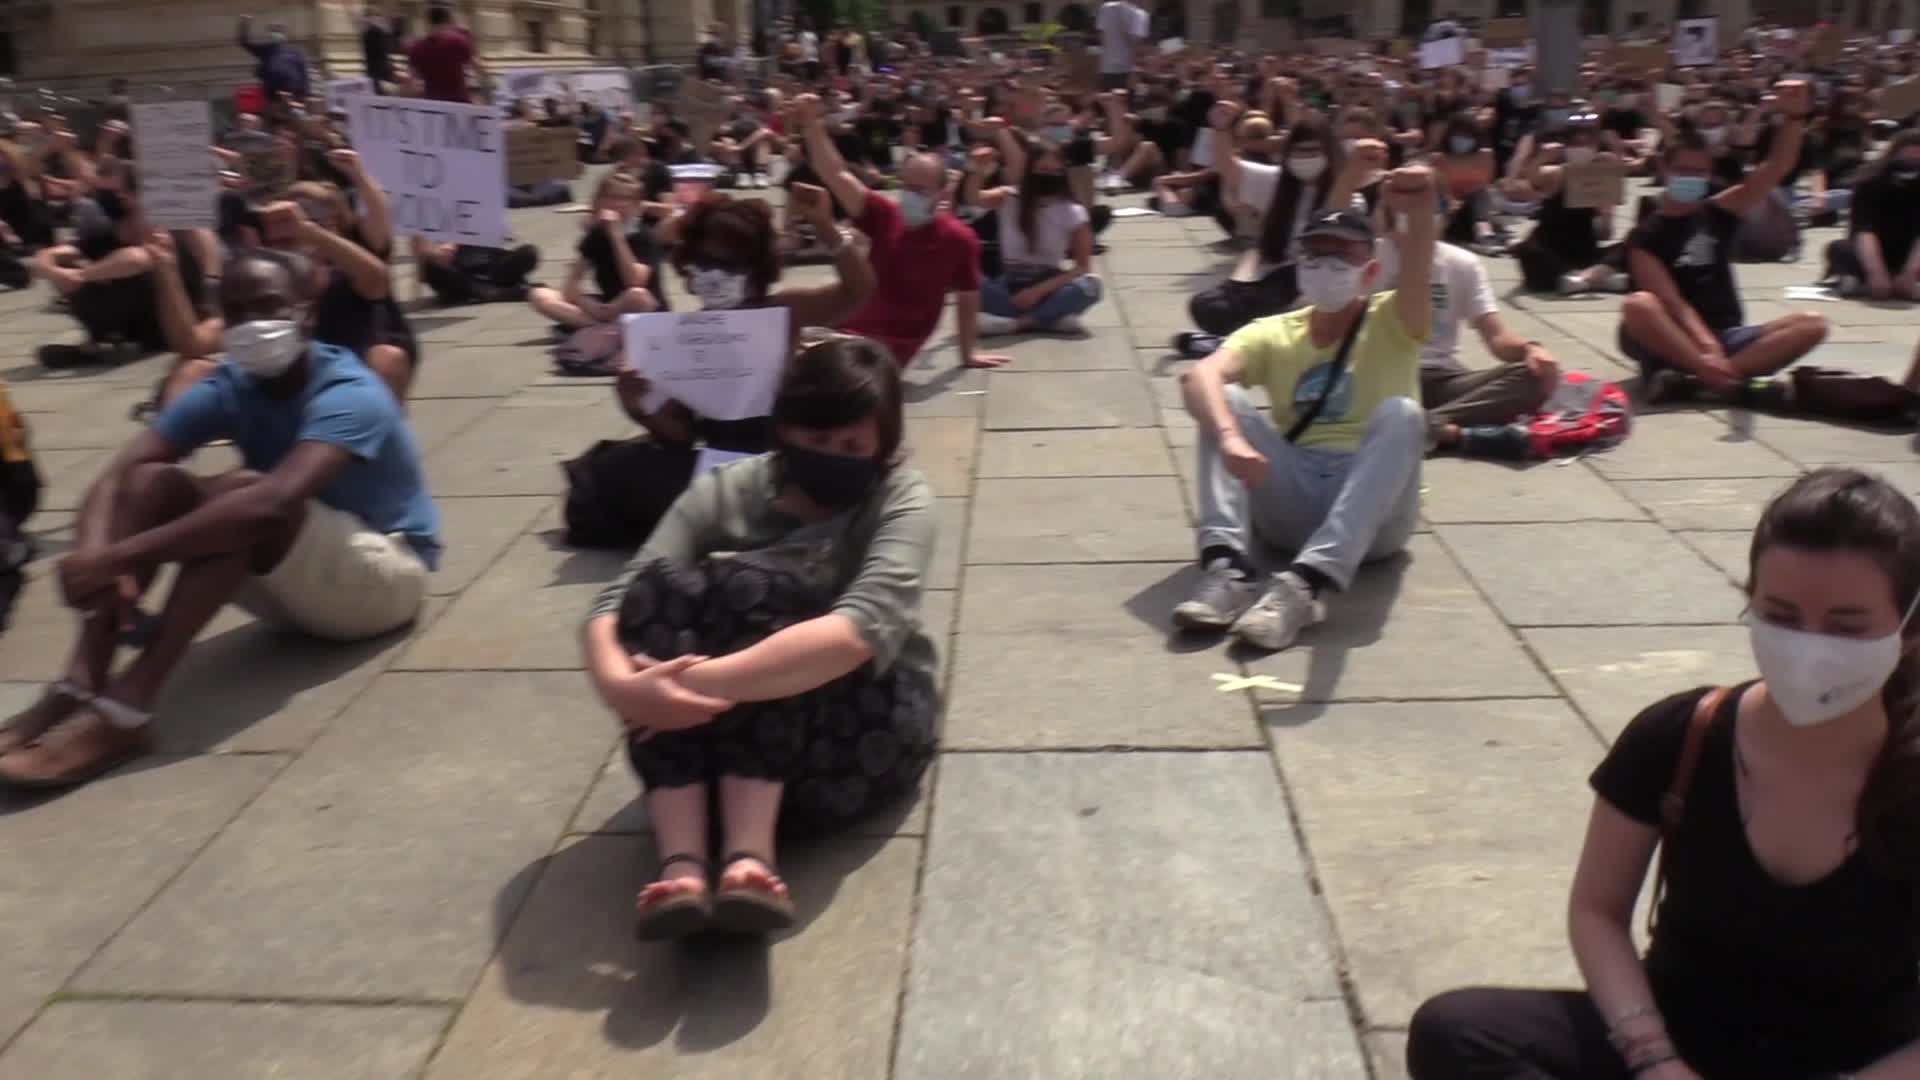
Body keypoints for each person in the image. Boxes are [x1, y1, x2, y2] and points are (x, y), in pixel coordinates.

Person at [1408, 467, 1920, 1080]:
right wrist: (1655, 1059)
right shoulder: (1681, 736)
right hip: (1681, 1033)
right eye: (1781, 616)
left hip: (1859, 1061)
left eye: (1845, 626)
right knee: (1459, 1031)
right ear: (1749, 601)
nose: (1808, 646)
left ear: (1909, 630)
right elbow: (1598, 910)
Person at [0, 250, 438, 789]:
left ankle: (127, 711)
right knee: (151, 483)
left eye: (269, 306)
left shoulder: (349, 390)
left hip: (384, 579)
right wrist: (90, 556)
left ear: (305, 312)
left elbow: (272, 503)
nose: (253, 323)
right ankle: (81, 683)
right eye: (236, 312)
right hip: (295, 571)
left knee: (243, 497)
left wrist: (122, 556)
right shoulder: (231, 383)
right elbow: (122, 475)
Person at [582, 336, 937, 940]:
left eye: (852, 445)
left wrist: (683, 685)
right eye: (817, 439)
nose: (833, 455)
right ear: (785, 429)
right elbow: (618, 600)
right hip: (725, 739)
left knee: (767, 587)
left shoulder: (902, 499)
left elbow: (855, 630)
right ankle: (684, 863)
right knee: (658, 594)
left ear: (881, 449)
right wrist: (622, 685)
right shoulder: (731, 487)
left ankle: (750, 857)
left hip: (857, 734)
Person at [1171, 167, 1438, 652]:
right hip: (1292, 493)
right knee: (1218, 399)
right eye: (1316, 254)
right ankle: (1228, 570)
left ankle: (1305, 587)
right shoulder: (1274, 330)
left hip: (1375, 509)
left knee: (1403, 414)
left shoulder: (1395, 319)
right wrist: (1231, 436)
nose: (1327, 266)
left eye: (1343, 255)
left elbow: (1419, 266)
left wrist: (1422, 211)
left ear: (1371, 270)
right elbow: (1200, 375)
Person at [559, 185, 875, 551]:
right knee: (614, 471)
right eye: (705, 262)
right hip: (721, 467)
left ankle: (758, 520)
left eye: (729, 265)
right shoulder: (686, 334)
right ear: (689, 263)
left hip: (788, 462)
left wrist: (825, 225)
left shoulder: (781, 311)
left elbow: (858, 290)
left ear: (755, 268)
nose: (714, 274)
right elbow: (680, 435)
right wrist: (640, 403)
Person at [1618, 82, 1828, 403]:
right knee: (1638, 306)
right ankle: (1719, 377)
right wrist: (1705, 346)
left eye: (1699, 171)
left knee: (1812, 324)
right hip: (1669, 335)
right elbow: (1672, 303)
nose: (1691, 177)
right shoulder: (1646, 235)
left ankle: (1698, 382)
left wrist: (1794, 117)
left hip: (1727, 332)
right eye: (1683, 170)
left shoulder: (1719, 211)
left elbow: (1777, 167)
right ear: (1665, 169)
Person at [792, 93, 1007, 370]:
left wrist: (967, 355)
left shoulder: (960, 240)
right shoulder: (885, 215)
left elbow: (968, 297)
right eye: (906, 186)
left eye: (920, 190)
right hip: (844, 327)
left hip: (885, 349)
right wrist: (812, 123)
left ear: (942, 193)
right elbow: (834, 173)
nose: (910, 195)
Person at [1377, 238, 1560, 458]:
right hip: (1378, 374)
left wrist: (1530, 350)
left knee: (1534, 377)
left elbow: (1497, 336)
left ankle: (1420, 427)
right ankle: (1453, 434)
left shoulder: (1462, 262)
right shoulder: (1366, 253)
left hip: (1438, 377)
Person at [32, 159, 214, 369]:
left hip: (171, 325)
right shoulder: (112, 232)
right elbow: (45, 257)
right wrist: (55, 272)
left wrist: (83, 275)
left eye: (119, 190)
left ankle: (93, 346)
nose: (114, 196)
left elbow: (139, 258)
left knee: (115, 268)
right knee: (75, 264)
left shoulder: (174, 230)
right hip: (135, 328)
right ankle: (99, 340)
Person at [965, 135, 1103, 336]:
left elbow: (1082, 267)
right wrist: (976, 168)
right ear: (1030, 170)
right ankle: (1050, 318)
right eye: (1044, 169)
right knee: (970, 280)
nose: (1051, 175)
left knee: (1091, 285)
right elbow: (973, 197)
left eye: (1057, 171)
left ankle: (1019, 323)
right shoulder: (1009, 196)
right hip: (1010, 282)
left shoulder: (1073, 211)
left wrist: (1038, 291)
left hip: (1049, 284)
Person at [528, 171, 665, 372]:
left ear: (636, 205)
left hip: (641, 307)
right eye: (614, 197)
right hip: (606, 309)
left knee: (637, 295)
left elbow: (635, 281)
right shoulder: (596, 235)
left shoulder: (642, 235)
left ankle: (598, 330)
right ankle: (602, 328)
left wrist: (616, 235)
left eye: (627, 199)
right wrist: (589, 304)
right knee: (539, 295)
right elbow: (572, 284)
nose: (620, 204)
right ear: (601, 201)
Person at [1822, 132, 1920, 300]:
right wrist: (1876, 272)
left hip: (1912, 254)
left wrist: (1910, 272)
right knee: (1839, 248)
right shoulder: (1870, 182)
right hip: (1872, 252)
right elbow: (1864, 230)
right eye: (1908, 156)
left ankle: (1897, 283)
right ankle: (1863, 280)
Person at [407, 3, 482, 104]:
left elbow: (411, 83)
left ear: (428, 21)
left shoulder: (416, 47)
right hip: (459, 103)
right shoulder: (459, 41)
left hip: (432, 105)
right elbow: (479, 69)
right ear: (448, 19)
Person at [236, 15, 310, 107]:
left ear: (285, 33)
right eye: (273, 30)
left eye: (279, 30)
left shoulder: (295, 52)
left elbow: (303, 72)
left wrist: (306, 94)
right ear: (269, 33)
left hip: (294, 96)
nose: (276, 33)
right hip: (273, 97)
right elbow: (244, 42)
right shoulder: (265, 49)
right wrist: (244, 24)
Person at [1096, 0, 1147, 92]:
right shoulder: (1139, 14)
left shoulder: (1105, 8)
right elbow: (1136, 47)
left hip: (1107, 68)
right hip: (1127, 70)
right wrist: (1134, 72)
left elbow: (1102, 38)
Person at [361, 3, 396, 92]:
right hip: (381, 68)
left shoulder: (367, 32)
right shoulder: (377, 31)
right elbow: (385, 49)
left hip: (374, 69)